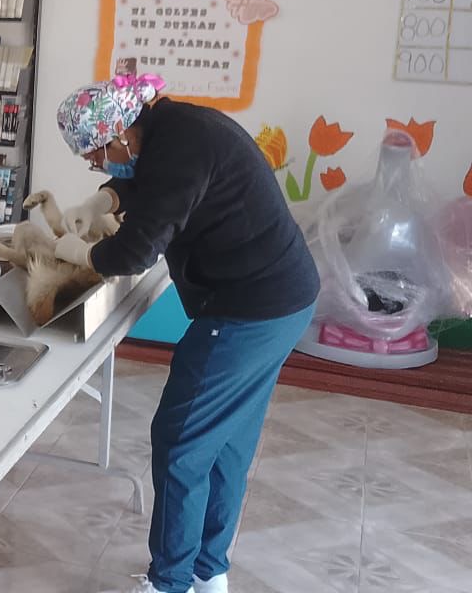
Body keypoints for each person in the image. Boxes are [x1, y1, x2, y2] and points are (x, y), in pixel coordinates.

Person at [51, 74, 320, 593]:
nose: (98, 166)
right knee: (225, 442)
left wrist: (83, 254)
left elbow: (134, 252)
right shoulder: (172, 129)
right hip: (283, 300)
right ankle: (208, 571)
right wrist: (103, 201)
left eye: (96, 157)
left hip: (249, 310)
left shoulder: (179, 148)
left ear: (119, 135)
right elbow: (145, 181)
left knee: (182, 443)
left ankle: (170, 583)